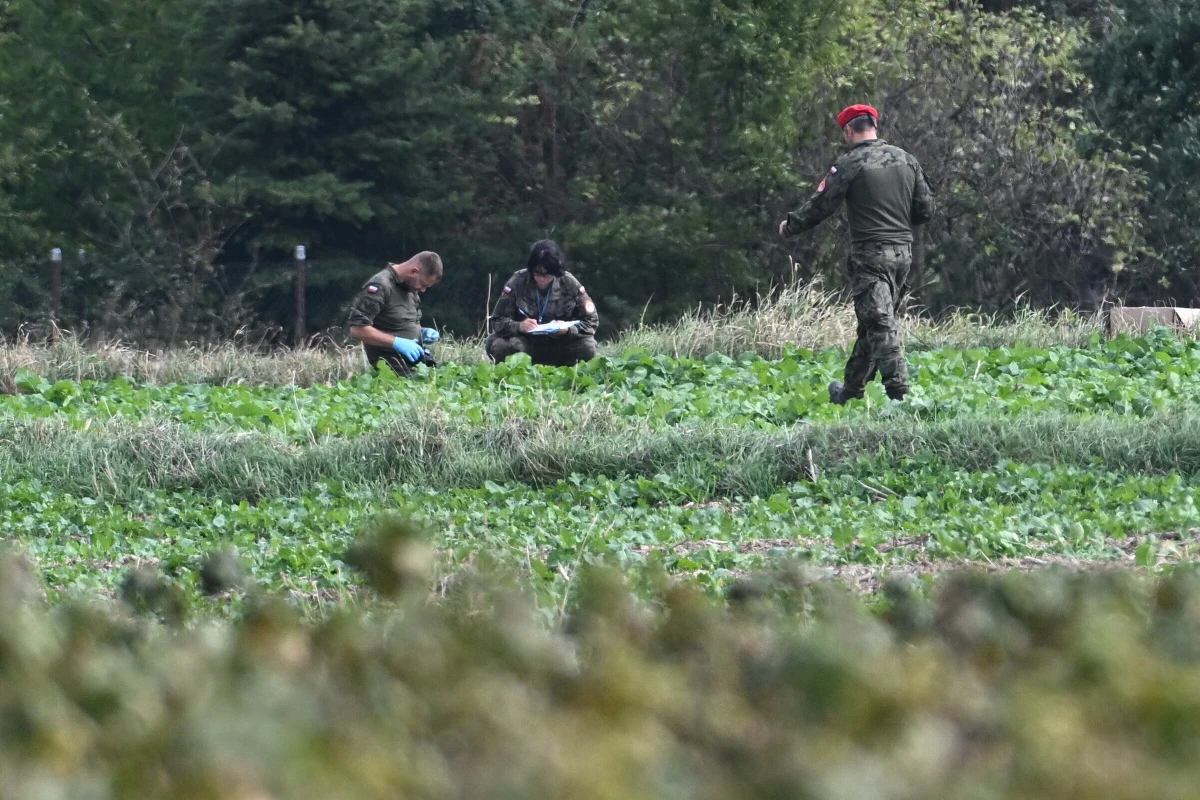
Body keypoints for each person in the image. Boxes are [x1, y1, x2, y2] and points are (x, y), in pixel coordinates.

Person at [779, 104, 934, 404]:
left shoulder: (850, 164)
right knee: (872, 325)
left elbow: (821, 205)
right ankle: (849, 392)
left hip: (870, 257)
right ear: (874, 125)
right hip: (903, 256)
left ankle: (899, 394)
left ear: (849, 130)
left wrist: (790, 226)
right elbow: (925, 210)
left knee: (880, 324)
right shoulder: (907, 159)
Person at [486, 240, 599, 367]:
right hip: (525, 345)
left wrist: (568, 330)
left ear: (556, 271)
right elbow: (497, 320)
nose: (541, 278)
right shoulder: (517, 282)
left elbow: (591, 320)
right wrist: (519, 326)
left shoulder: (569, 283)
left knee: (588, 347)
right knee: (501, 346)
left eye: (547, 274)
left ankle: (567, 377)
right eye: (537, 273)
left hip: (559, 345)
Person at [347, 251, 444, 375]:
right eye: (423, 284)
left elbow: (401, 324)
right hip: (392, 373)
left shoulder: (410, 287)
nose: (423, 290)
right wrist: (397, 343)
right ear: (414, 271)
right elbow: (357, 330)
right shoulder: (381, 286)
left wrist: (422, 332)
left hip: (417, 367)